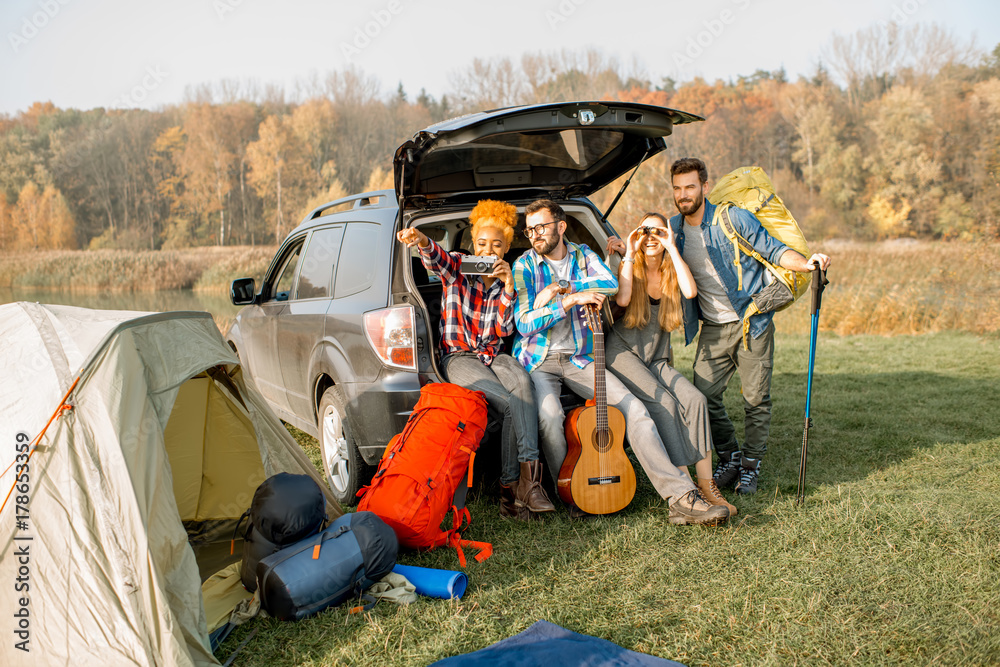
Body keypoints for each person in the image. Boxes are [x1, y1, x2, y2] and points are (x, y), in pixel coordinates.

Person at [512, 199, 728, 525]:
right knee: (550, 415)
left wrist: (563, 287)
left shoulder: (584, 255)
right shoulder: (524, 266)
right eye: (529, 230)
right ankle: (572, 494)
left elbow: (610, 285)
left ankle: (681, 498)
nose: (534, 235)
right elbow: (525, 322)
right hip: (540, 359)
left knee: (636, 411)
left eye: (540, 227)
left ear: (560, 226)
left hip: (582, 358)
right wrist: (569, 300)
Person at [668, 158, 832, 495]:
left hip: (751, 322)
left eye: (689, 187)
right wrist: (622, 249)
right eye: (677, 188)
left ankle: (750, 467)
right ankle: (729, 455)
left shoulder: (731, 218)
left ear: (704, 187)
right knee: (703, 397)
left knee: (755, 400)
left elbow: (773, 250)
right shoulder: (674, 229)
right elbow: (650, 252)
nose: (683, 194)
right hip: (712, 327)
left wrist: (806, 263)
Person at [396, 199, 555, 520]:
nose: (488, 250)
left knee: (523, 385)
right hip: (460, 357)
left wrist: (508, 287)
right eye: (482, 243)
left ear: (506, 247)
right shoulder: (457, 267)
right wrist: (422, 240)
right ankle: (511, 492)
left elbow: (503, 329)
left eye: (497, 245)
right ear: (472, 244)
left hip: (494, 353)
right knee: (510, 405)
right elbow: (435, 258)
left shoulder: (505, 282)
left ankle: (528, 486)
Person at [605, 212, 737, 516]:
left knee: (696, 401)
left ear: (666, 236)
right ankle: (685, 489)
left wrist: (673, 248)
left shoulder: (671, 269)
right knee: (663, 402)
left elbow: (690, 292)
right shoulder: (630, 266)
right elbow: (623, 300)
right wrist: (629, 248)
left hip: (657, 355)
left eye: (658, 232)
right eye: (645, 231)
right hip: (623, 352)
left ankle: (706, 486)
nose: (651, 237)